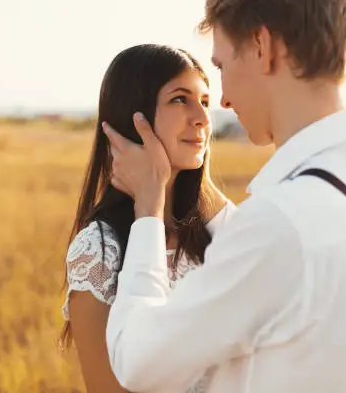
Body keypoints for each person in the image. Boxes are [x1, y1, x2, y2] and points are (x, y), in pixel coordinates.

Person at [102, 0, 346, 392]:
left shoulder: (280, 220)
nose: (222, 101)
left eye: (222, 66)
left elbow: (137, 362)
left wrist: (149, 211)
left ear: (262, 46)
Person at [59, 44, 236, 393]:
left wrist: (202, 185)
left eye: (204, 101)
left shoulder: (214, 233)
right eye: (179, 99)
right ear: (134, 116)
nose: (201, 118)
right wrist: (150, 202)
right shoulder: (98, 249)